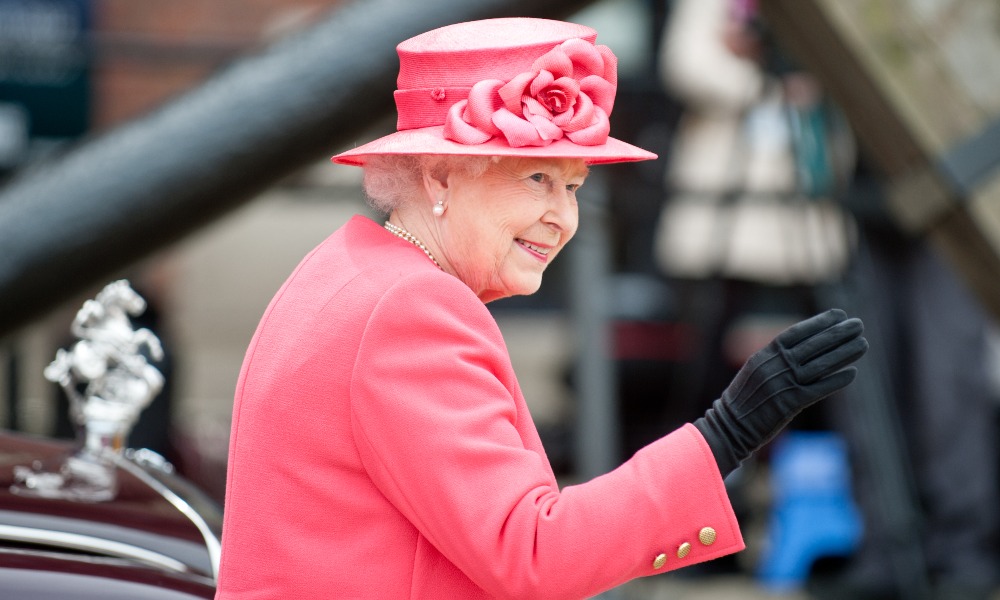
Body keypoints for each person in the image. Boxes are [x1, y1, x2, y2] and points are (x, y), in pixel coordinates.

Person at [213, 17, 868, 599]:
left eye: (573, 186)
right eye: (537, 179)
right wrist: (727, 432)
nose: (563, 218)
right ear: (440, 175)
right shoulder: (412, 308)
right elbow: (533, 554)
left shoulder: (352, 268)